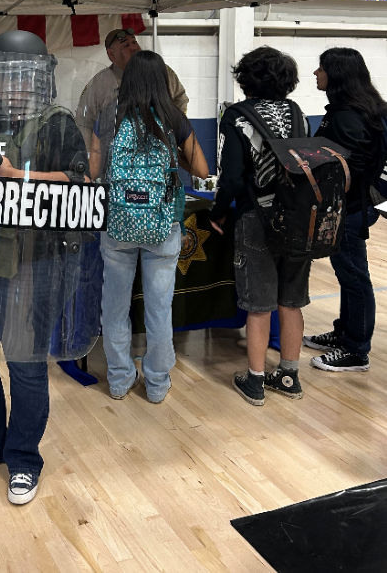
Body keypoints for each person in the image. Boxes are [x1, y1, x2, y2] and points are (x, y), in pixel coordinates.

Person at [0, 30, 92, 505]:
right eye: (6, 76)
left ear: (39, 78)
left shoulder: (59, 122)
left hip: (35, 262)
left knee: (25, 364)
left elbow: (79, 180)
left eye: (22, 76)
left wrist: (17, 176)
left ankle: (23, 458)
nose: (15, 85)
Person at [90, 50, 208, 403]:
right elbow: (201, 169)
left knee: (114, 307)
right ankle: (156, 384)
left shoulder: (108, 116)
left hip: (117, 224)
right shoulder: (174, 117)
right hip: (162, 225)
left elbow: (94, 171)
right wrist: (176, 159)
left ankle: (119, 379)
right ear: (162, 80)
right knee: (159, 309)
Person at [209, 46, 311, 406]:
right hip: (299, 218)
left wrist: (219, 212)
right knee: (292, 300)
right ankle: (288, 374)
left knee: (259, 304)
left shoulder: (237, 117)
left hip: (257, 217)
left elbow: (233, 178)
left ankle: (254, 380)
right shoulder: (297, 113)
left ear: (245, 78)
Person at [303, 47, 387, 372]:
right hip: (345, 206)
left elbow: (350, 164)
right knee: (347, 274)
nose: (316, 73)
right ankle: (344, 333)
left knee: (355, 277)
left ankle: (356, 350)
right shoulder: (347, 109)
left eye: (320, 68)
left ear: (336, 74)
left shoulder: (350, 116)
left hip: (347, 209)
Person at [75, 27, 188, 150]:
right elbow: (84, 122)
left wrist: (172, 132)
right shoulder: (99, 84)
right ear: (111, 54)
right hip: (116, 158)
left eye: (134, 42)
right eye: (126, 45)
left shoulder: (160, 71)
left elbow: (180, 99)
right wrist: (92, 156)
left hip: (158, 153)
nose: (134, 48)